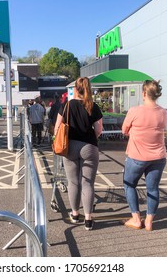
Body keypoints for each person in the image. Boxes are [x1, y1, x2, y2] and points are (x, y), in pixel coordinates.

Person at [54, 77, 103, 230]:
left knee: (73, 182)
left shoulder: (67, 105)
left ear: (75, 89)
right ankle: (88, 219)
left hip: (70, 146)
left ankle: (75, 214)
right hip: (89, 146)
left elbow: (57, 128)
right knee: (87, 183)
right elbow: (99, 130)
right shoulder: (93, 106)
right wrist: (89, 138)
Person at [121, 80, 167, 231]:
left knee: (129, 185)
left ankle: (136, 219)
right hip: (159, 157)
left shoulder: (134, 111)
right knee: (153, 189)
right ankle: (149, 221)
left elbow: (124, 130)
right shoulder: (163, 112)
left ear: (144, 93)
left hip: (137, 156)